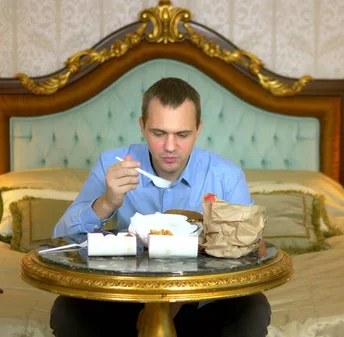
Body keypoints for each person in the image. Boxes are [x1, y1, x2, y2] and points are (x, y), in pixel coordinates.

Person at [51, 77, 271, 337]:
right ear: (143, 126)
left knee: (253, 307)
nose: (169, 147)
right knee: (67, 309)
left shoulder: (225, 176)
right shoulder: (111, 164)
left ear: (198, 129)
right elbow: (61, 239)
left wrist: (170, 304)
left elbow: (255, 251)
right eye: (158, 133)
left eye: (182, 134)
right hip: (124, 297)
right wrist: (107, 202)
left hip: (199, 303)